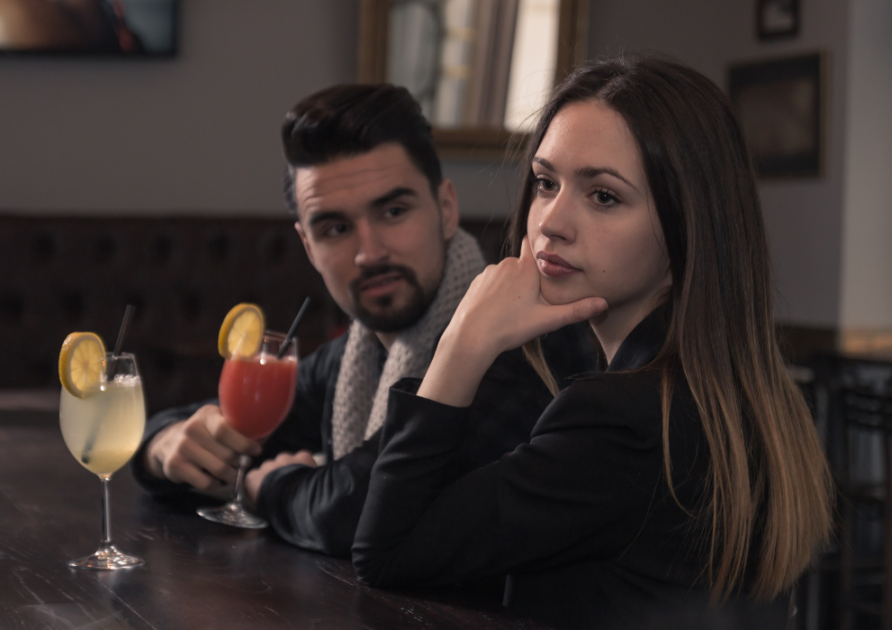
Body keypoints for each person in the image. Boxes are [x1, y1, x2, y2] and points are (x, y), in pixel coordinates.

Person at [351, 55, 834, 629]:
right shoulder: (727, 398)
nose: (551, 221)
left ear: (687, 234)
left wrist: (462, 342)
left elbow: (386, 552)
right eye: (546, 182)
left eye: (603, 196)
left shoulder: (623, 420)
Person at [131, 83, 596, 559]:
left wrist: (267, 488)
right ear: (309, 247)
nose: (369, 252)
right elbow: (224, 430)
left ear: (446, 208)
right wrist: (165, 446)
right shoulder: (353, 356)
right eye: (335, 228)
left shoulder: (514, 343)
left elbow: (363, 506)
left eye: (394, 211)